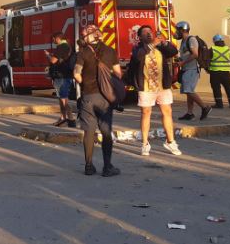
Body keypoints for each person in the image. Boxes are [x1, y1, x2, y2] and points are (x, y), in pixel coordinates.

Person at [74, 25, 122, 177]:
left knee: (89, 132)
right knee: (106, 131)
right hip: (106, 99)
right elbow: (118, 73)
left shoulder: (83, 53)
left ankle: (89, 166)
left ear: (90, 36)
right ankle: (107, 167)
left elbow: (76, 74)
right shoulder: (110, 51)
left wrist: (84, 83)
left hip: (88, 96)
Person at [127, 25, 183, 156]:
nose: (148, 34)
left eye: (149, 32)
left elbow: (174, 51)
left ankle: (170, 141)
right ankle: (145, 143)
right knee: (146, 113)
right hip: (146, 87)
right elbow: (138, 57)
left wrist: (164, 42)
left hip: (162, 86)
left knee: (167, 111)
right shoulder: (138, 49)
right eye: (145, 32)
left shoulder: (160, 47)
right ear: (139, 37)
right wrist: (153, 44)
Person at [175, 21, 211, 121]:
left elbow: (195, 54)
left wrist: (182, 63)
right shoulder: (184, 41)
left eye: (177, 30)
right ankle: (190, 113)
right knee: (188, 91)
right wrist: (180, 60)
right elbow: (187, 54)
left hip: (192, 69)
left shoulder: (191, 40)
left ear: (182, 30)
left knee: (188, 90)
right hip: (187, 69)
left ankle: (205, 107)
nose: (176, 32)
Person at [46, 31, 77, 127]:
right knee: (62, 98)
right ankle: (64, 118)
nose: (53, 41)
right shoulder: (69, 46)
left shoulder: (61, 47)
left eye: (53, 39)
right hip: (67, 75)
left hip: (62, 76)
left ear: (57, 38)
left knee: (63, 99)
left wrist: (48, 55)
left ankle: (70, 119)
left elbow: (53, 60)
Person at [209, 34, 230, 108]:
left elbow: (207, 59)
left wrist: (207, 68)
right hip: (226, 72)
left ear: (214, 41)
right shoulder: (228, 49)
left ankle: (219, 104)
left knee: (216, 88)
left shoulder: (212, 49)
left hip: (215, 72)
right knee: (228, 88)